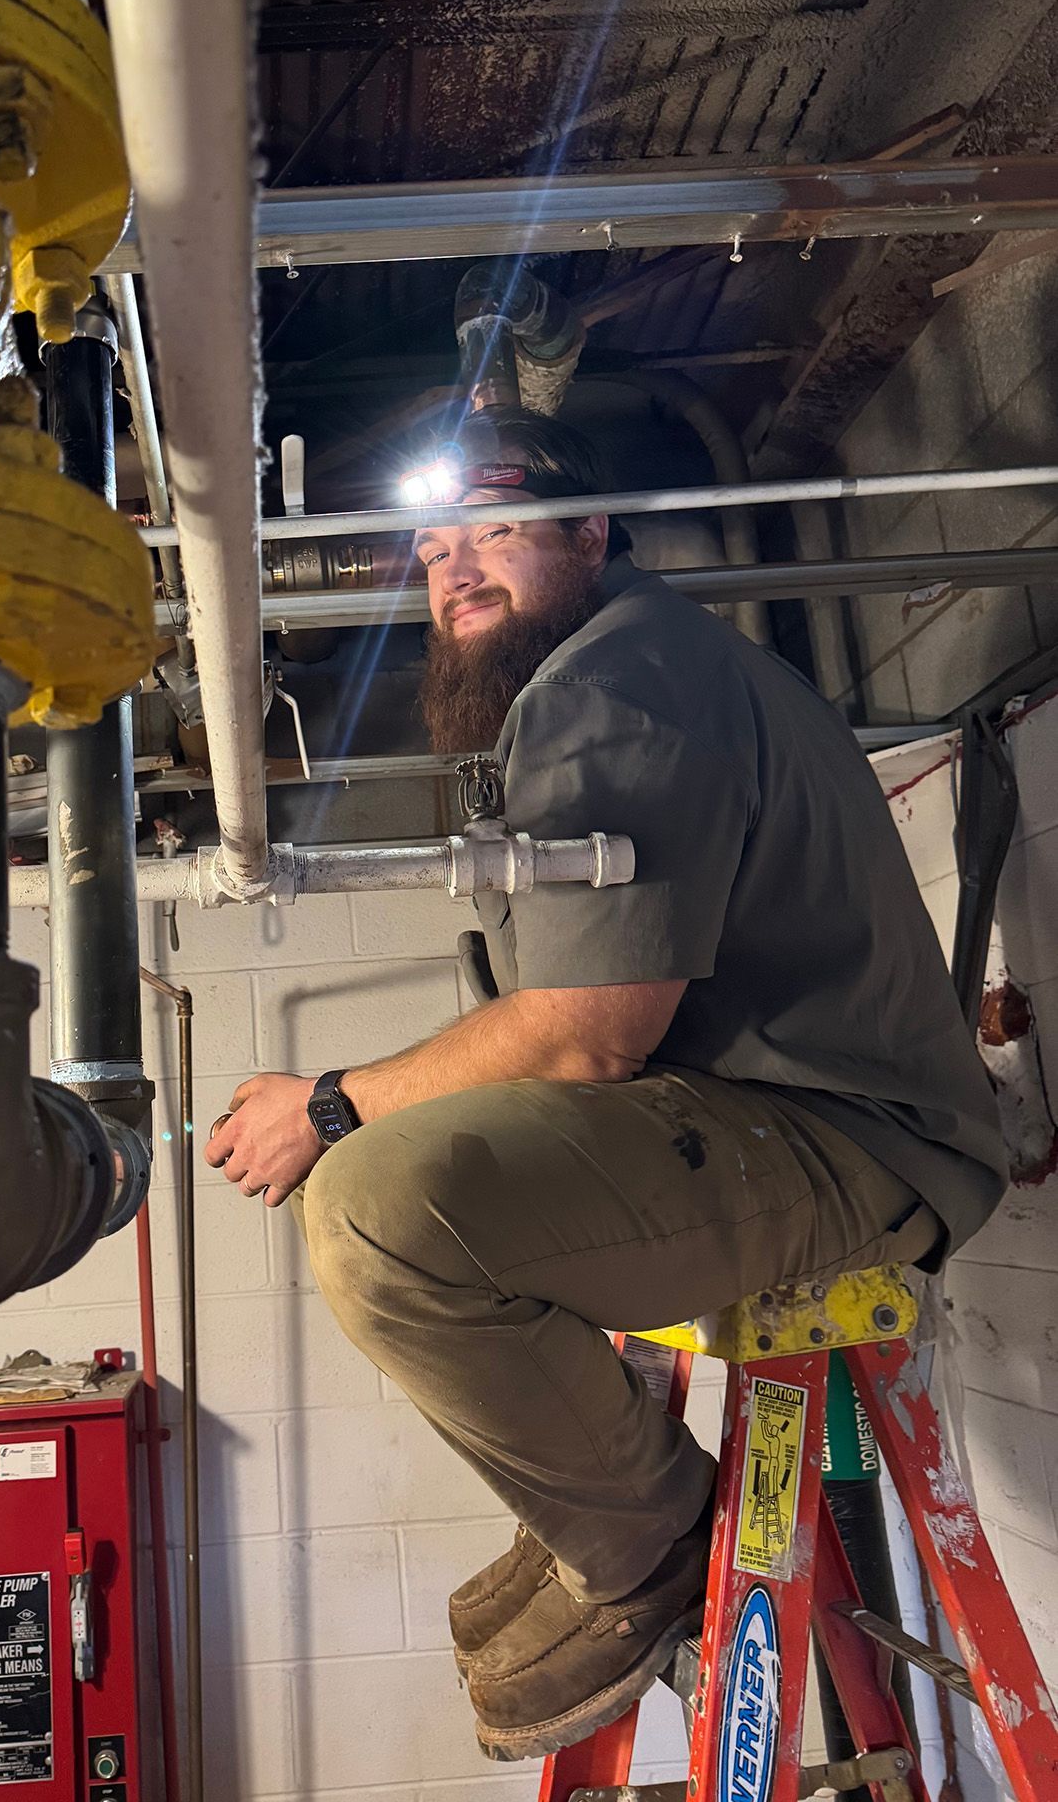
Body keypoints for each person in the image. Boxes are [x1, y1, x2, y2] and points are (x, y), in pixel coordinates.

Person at [203, 405, 1004, 1761]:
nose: (456, 565)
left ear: (592, 533)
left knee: (379, 1213)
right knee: (422, 1181)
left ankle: (654, 1541)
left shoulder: (612, 682)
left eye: (495, 530)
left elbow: (586, 1034)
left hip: (846, 1140)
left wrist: (329, 1101)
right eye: (437, 542)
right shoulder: (598, 671)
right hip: (765, 1114)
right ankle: (608, 1501)